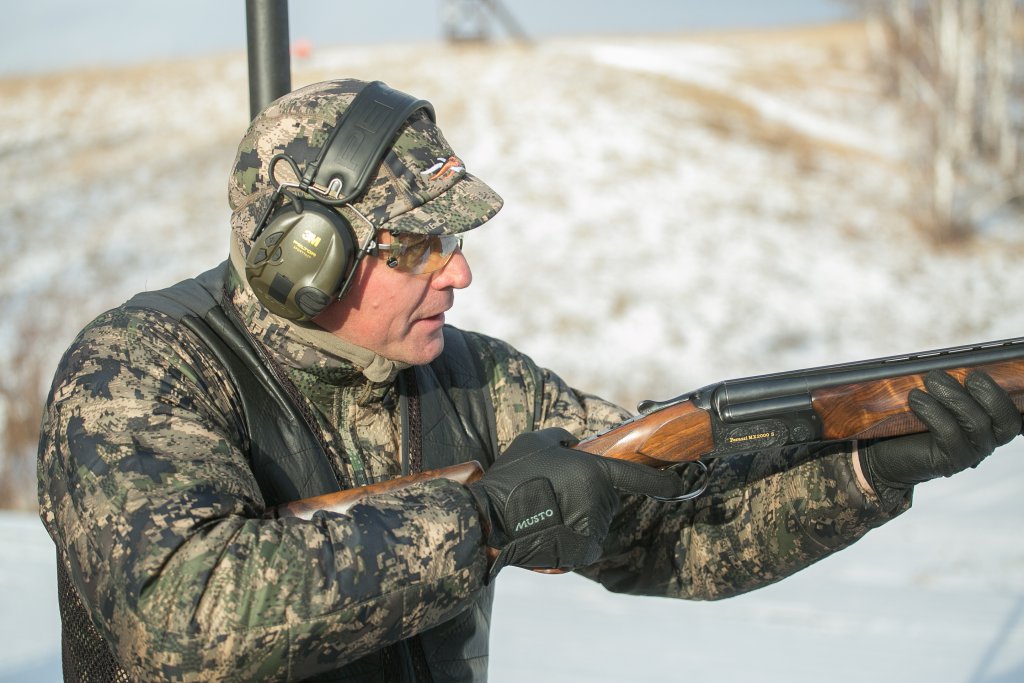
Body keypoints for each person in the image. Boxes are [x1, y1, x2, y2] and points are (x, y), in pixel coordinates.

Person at [37, 78, 1021, 682]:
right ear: (306, 256)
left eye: (453, 241)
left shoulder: (475, 380)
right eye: (417, 245)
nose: (458, 272)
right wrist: (487, 519)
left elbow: (675, 529)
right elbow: (184, 616)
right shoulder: (137, 371)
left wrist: (867, 469)